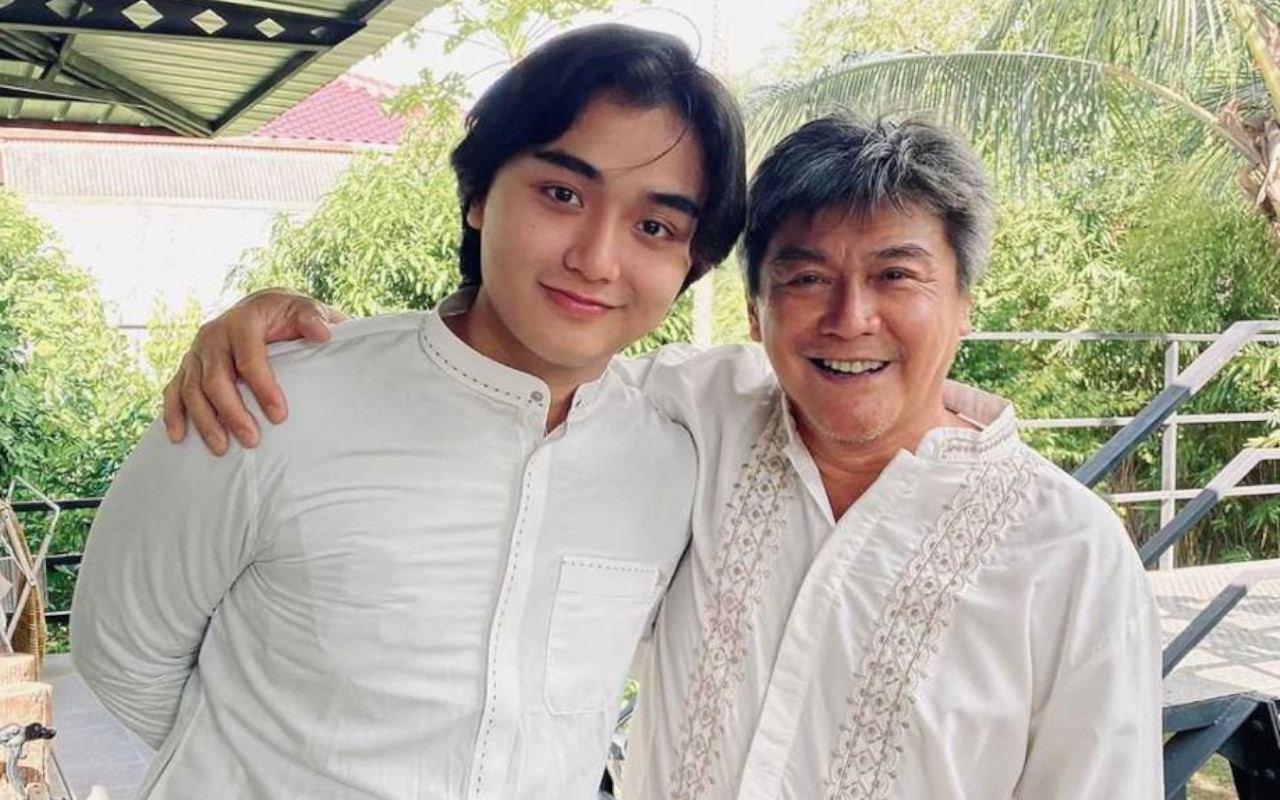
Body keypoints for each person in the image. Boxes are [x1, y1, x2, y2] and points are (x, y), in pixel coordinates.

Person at [156, 119, 1164, 797]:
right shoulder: (692, 419)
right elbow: (521, 359)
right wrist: (300, 337)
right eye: (804, 277)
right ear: (757, 309)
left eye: (895, 276)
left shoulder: (1067, 557)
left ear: (964, 303)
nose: (848, 317)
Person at [69, 24, 746, 800]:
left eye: (654, 227)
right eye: (562, 194)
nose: (595, 259)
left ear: (691, 262)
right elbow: (120, 652)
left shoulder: (675, 458)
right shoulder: (273, 399)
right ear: (480, 196)